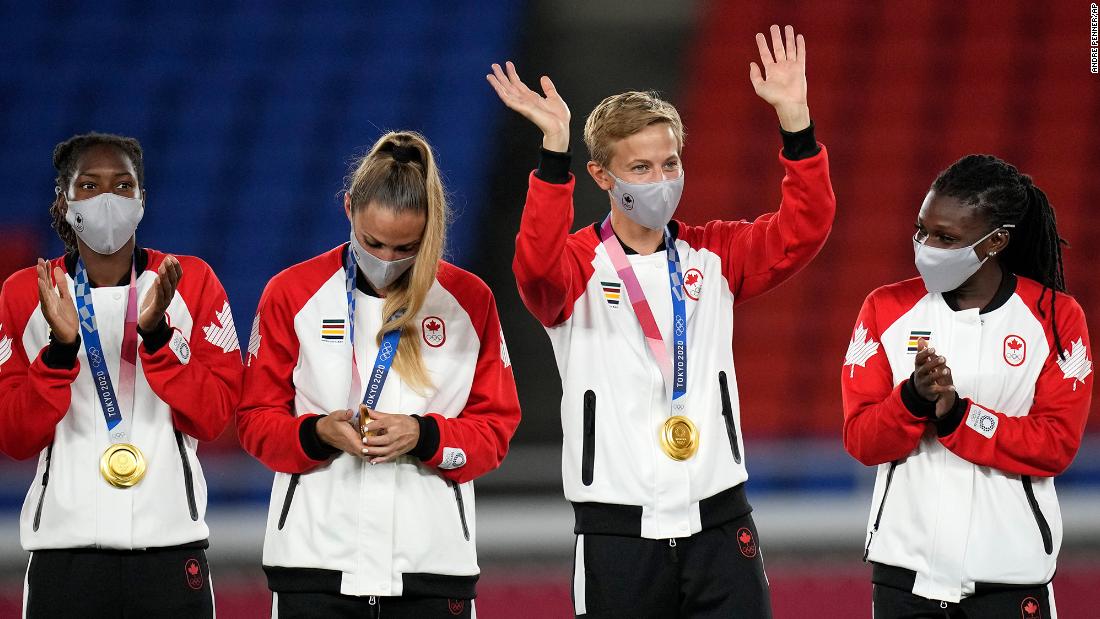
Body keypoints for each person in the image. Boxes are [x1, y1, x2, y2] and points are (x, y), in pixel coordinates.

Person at [488, 24, 835, 618]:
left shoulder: (713, 257)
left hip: (721, 520)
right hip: (616, 532)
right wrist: (553, 155)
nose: (662, 180)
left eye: (670, 162)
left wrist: (796, 122)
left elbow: (805, 227)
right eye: (641, 168)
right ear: (603, 177)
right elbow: (534, 266)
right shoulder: (575, 270)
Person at [236, 130, 521, 618]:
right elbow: (255, 421)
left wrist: (424, 435)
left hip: (431, 564)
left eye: (406, 247)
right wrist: (316, 433)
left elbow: (495, 430)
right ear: (348, 208)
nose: (387, 260)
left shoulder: (468, 302)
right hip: (314, 561)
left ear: (429, 230)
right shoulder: (292, 293)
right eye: (373, 243)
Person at [0, 132, 243, 618]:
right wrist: (61, 350)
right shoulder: (27, 293)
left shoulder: (191, 282)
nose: (107, 199)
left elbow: (214, 417)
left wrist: (156, 339)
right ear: (63, 200)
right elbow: (16, 436)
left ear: (142, 200)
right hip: (63, 556)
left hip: (171, 550)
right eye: (89, 186)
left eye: (122, 185)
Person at [842, 154, 1093, 617]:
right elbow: (861, 439)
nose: (926, 246)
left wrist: (959, 416)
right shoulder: (885, 308)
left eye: (946, 238)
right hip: (904, 573)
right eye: (922, 229)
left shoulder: (1056, 318)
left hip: (1009, 576)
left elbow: (1056, 445)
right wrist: (912, 400)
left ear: (995, 240)